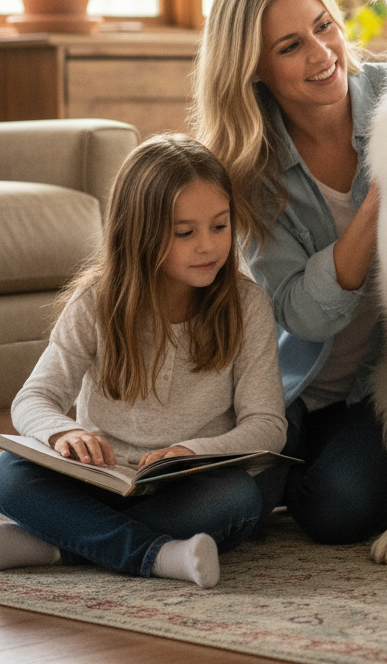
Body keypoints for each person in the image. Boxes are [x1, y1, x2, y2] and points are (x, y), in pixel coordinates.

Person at [0, 135, 286, 588]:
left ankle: (53, 544)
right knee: (6, 474)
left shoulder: (247, 306)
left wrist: (193, 451)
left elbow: (267, 425)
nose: (208, 246)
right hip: (101, 482)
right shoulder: (96, 303)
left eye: (220, 226)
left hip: (187, 486)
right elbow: (33, 398)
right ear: (140, 232)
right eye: (185, 232)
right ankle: (158, 554)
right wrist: (65, 431)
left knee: (239, 499)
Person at [189, 0, 387, 545]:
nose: (322, 54)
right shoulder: (247, 171)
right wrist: (381, 198)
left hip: (381, 383)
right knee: (216, 506)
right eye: (290, 46)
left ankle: (284, 484)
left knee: (341, 510)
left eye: (324, 26)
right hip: (290, 388)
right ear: (253, 69)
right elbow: (302, 314)